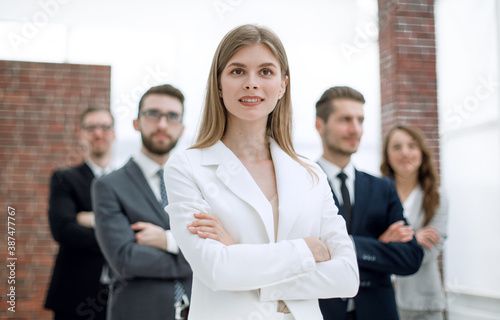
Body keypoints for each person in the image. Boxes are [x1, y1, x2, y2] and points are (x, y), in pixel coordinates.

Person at [163, 24, 359, 320]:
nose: (251, 83)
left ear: (283, 85)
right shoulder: (187, 167)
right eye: (237, 71)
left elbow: (346, 276)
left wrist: (237, 253)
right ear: (218, 83)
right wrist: (306, 251)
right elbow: (215, 270)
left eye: (266, 72)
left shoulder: (311, 174)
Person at [314, 86, 424, 320]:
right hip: (321, 313)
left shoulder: (383, 188)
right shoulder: (302, 184)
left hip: (378, 312)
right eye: (345, 119)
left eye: (360, 120)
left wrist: (349, 246)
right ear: (320, 125)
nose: (356, 129)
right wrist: (378, 244)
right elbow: (299, 254)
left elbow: (411, 257)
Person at [92, 84, 192, 320]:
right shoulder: (108, 185)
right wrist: (193, 254)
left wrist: (166, 240)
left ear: (182, 127)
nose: (162, 124)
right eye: (153, 114)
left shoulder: (196, 183)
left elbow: (220, 247)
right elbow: (125, 259)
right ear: (136, 122)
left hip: (198, 310)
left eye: (172, 116)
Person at [45, 107, 115, 320]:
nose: (98, 133)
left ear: (114, 133)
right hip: (74, 295)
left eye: (105, 127)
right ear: (81, 134)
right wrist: (116, 231)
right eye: (91, 127)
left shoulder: (124, 182)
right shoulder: (64, 179)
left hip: (118, 295)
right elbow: (64, 230)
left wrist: (93, 220)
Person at [381, 125, 448, 320]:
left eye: (412, 146)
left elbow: (427, 252)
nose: (405, 153)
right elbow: (367, 246)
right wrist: (414, 239)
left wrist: (387, 242)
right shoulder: (377, 193)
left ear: (421, 152)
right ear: (387, 154)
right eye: (396, 147)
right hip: (381, 300)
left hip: (423, 305)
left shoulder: (438, 197)